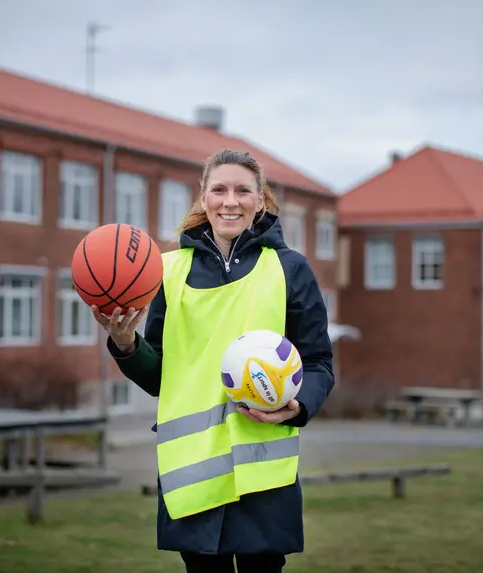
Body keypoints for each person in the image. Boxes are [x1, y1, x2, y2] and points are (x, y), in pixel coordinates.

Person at [91, 149, 334, 573]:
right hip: (193, 474)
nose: (230, 201)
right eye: (218, 189)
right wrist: (126, 343)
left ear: (260, 199)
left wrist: (297, 407)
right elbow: (161, 376)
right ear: (203, 198)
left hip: (262, 478)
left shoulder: (290, 270)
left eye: (243, 190)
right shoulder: (166, 272)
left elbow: (318, 363)